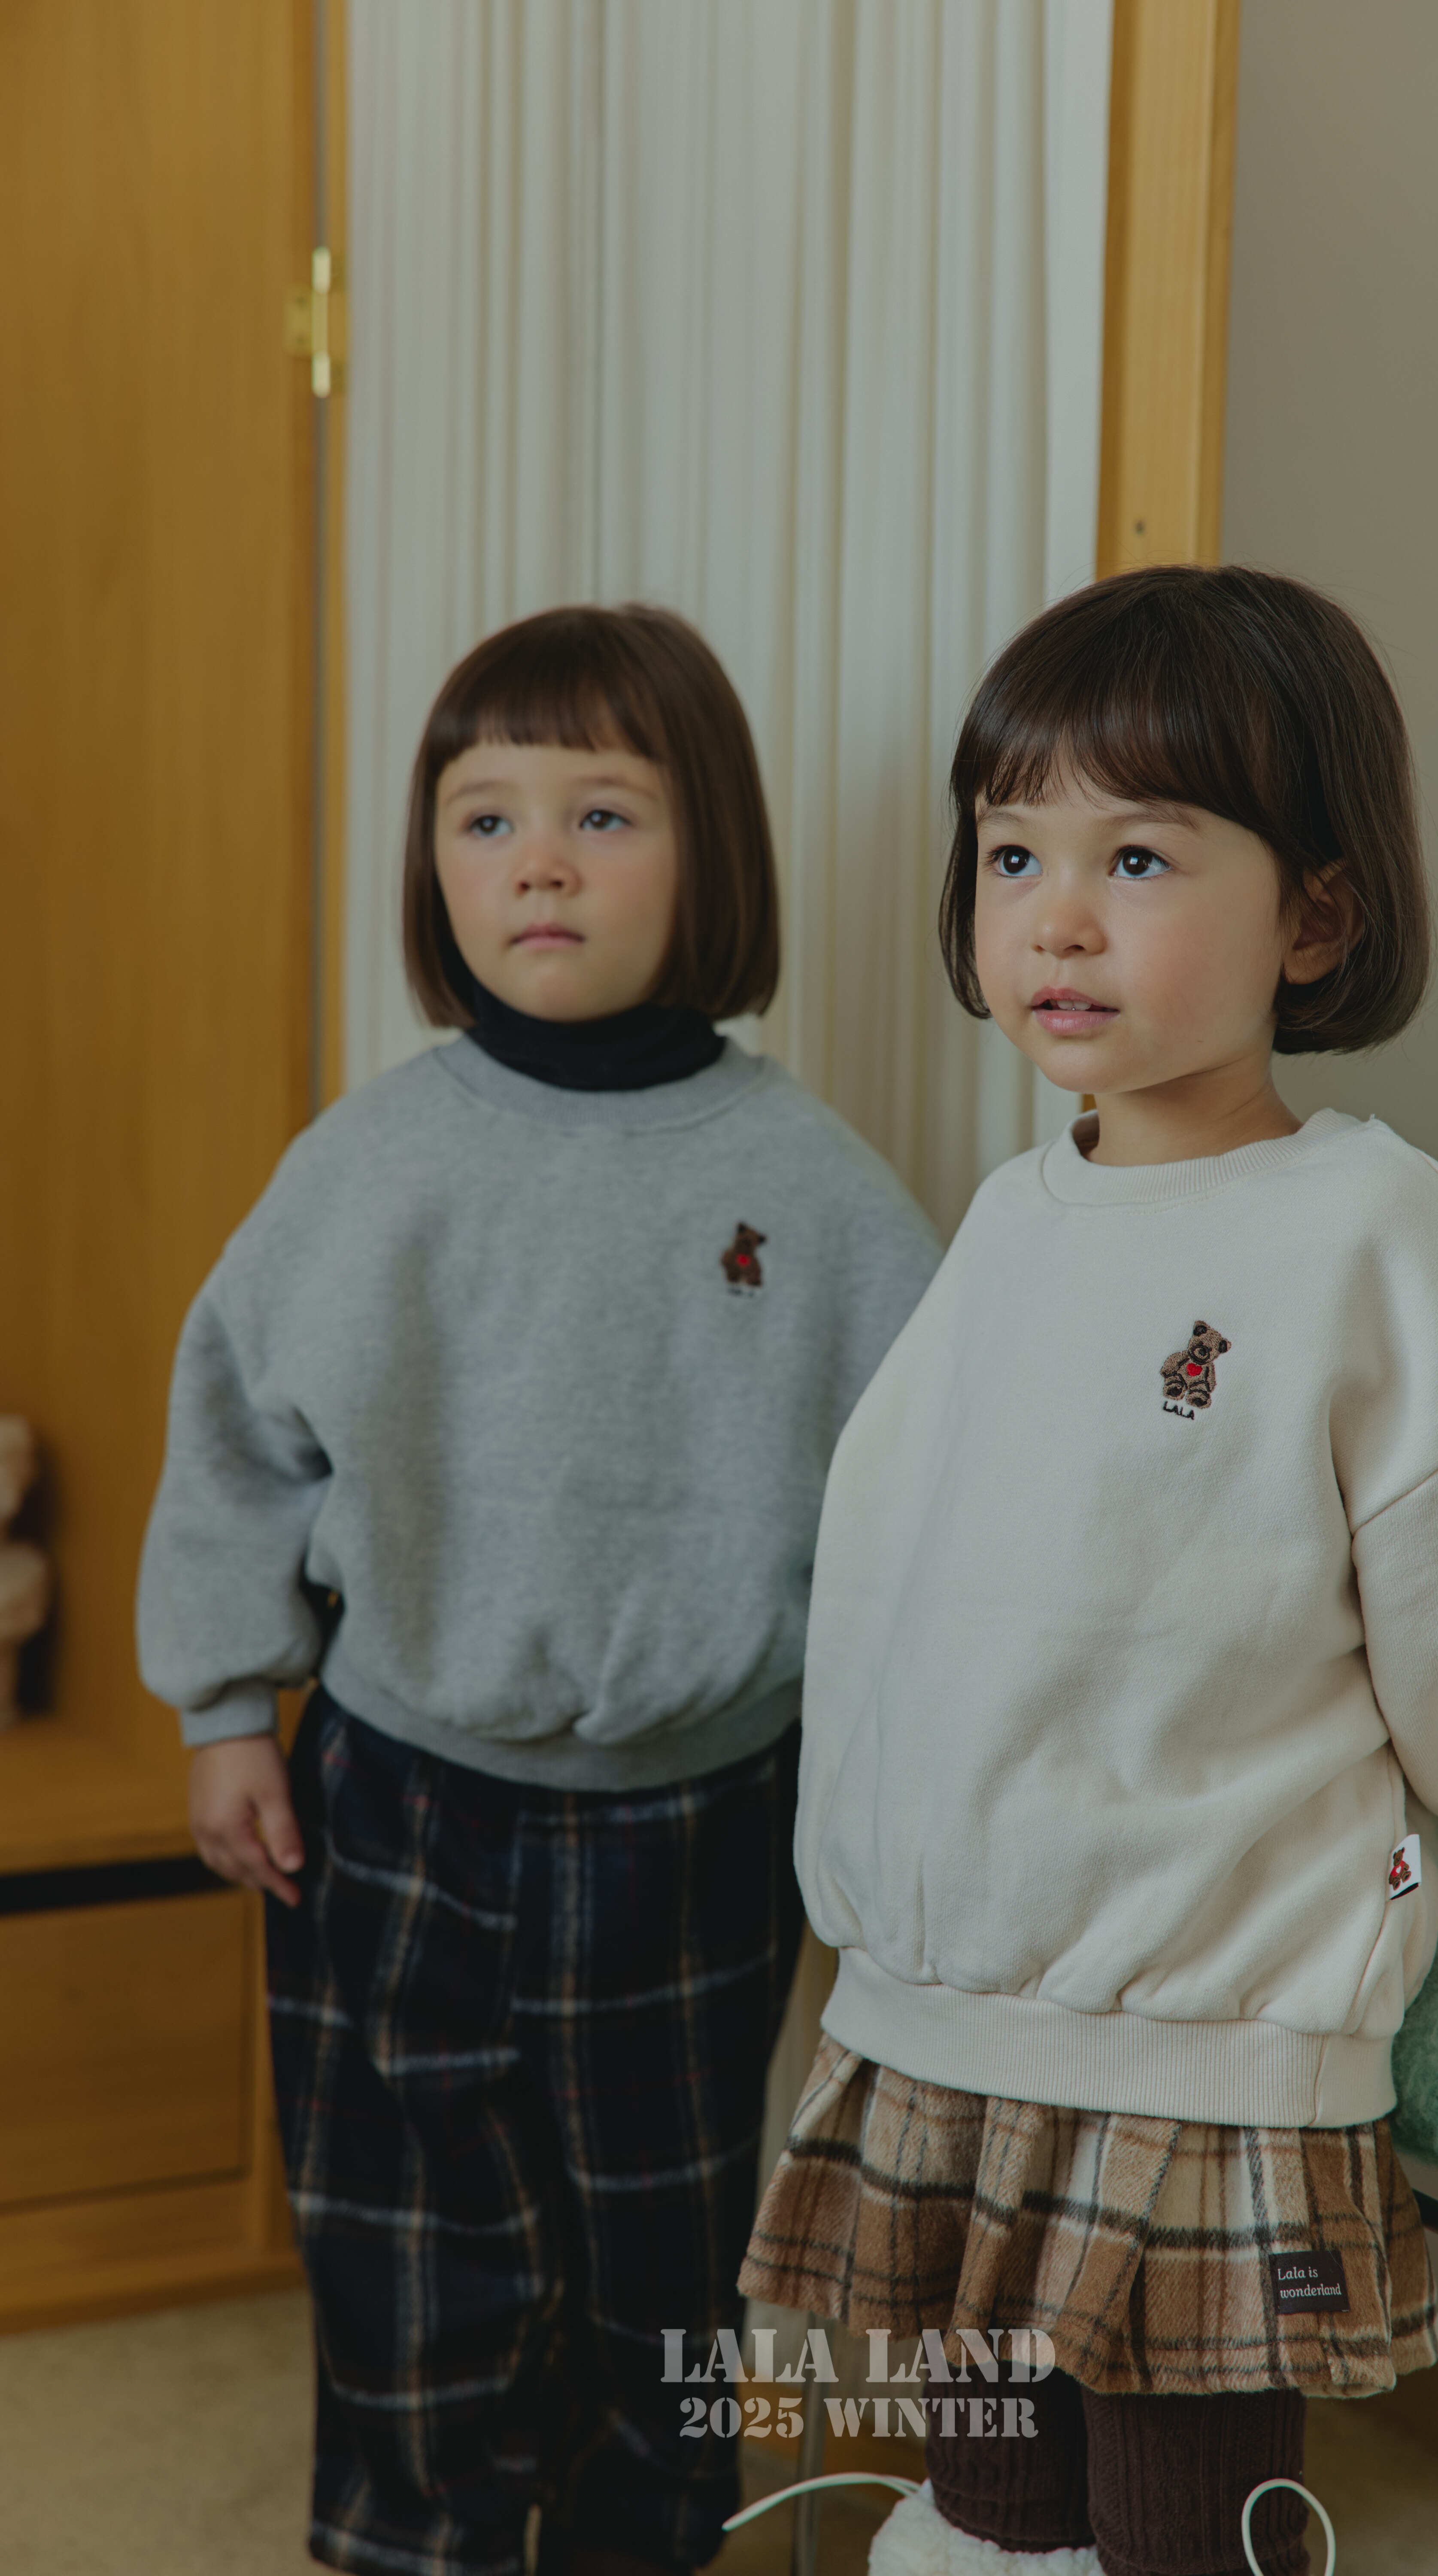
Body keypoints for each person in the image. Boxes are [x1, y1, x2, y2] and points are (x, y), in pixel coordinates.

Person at [739, 567, 1438, 2576]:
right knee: (985, 2509)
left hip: (1201, 2032)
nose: (1055, 916)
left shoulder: (1367, 1236)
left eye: (1138, 857)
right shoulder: (1011, 1221)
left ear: (1315, 920)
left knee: (1180, 2528)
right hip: (949, 2017)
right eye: (1015, 853)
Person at [136, 605, 941, 2576]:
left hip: (694, 1819)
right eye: (485, 819)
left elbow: (917, 1525)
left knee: (662, 2274)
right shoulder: (371, 1163)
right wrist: (226, 1708)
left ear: (710, 851)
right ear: (433, 866)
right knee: (413, 2262)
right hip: (394, 1805)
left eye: (602, 814)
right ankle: (422, 2546)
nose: (541, 865)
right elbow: (240, 1436)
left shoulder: (821, 1193)